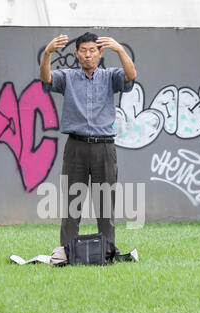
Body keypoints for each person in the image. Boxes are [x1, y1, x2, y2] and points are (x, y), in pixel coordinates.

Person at [40, 32, 137, 254]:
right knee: (72, 205)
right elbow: (46, 79)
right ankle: (67, 252)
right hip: (76, 147)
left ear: (100, 53)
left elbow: (131, 76)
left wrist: (120, 49)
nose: (87, 55)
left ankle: (107, 251)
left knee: (105, 205)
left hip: (104, 147)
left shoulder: (110, 76)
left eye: (92, 50)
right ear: (76, 53)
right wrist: (47, 53)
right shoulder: (68, 77)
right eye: (83, 50)